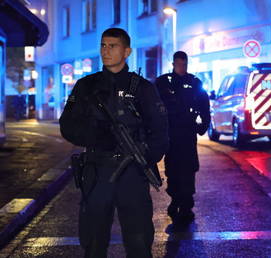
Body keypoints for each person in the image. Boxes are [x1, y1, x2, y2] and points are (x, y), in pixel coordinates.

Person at [59, 28, 169, 258]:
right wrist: (97, 136)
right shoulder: (86, 86)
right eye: (103, 45)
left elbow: (160, 132)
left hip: (132, 174)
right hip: (97, 172)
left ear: (127, 51)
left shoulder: (142, 88)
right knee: (94, 242)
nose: (106, 51)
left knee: (139, 241)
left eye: (113, 46)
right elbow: (67, 125)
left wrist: (145, 154)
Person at [155, 51, 210, 225]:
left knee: (188, 170)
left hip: (187, 134)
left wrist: (202, 126)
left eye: (184, 64)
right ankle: (175, 200)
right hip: (170, 134)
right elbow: (153, 106)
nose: (181, 67)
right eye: (178, 64)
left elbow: (204, 106)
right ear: (173, 64)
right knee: (172, 169)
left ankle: (186, 205)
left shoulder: (194, 82)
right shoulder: (163, 82)